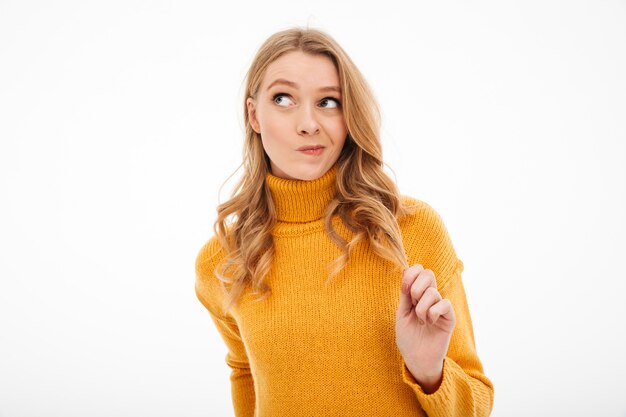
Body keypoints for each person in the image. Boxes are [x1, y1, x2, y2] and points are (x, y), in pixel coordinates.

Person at [195, 27, 494, 417]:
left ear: (349, 114)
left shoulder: (412, 230)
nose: (309, 123)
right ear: (253, 113)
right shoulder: (224, 260)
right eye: (283, 98)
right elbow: (245, 374)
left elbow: (478, 404)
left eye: (329, 102)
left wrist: (429, 371)